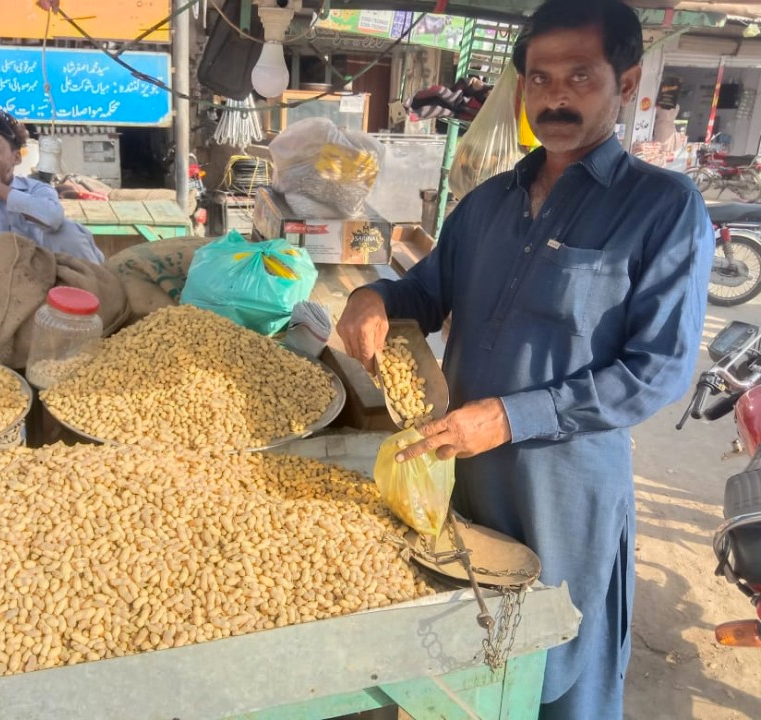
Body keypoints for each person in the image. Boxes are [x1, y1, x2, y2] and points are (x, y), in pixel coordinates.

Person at [336, 1, 713, 718]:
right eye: (539, 78)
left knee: (560, 672)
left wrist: (511, 418)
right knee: (467, 663)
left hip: (565, 492)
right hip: (461, 477)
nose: (556, 96)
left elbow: (657, 370)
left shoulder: (663, 207)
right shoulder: (487, 204)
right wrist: (373, 297)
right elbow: (426, 291)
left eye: (580, 76)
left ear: (627, 82)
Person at [0, 108, 104, 263]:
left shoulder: (37, 189)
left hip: (39, 272)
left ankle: (94, 282)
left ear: (16, 158)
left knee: (67, 231)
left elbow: (53, 218)